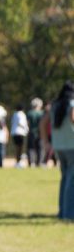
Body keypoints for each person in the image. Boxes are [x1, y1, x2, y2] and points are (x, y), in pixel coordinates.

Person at [52, 81, 74, 220]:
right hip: (72, 145)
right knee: (71, 180)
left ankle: (62, 212)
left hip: (58, 146)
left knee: (65, 177)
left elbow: (43, 123)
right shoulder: (72, 104)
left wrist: (46, 142)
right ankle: (68, 214)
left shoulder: (55, 105)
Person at [27, 97, 46, 168]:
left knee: (31, 148)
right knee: (40, 148)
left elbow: (28, 124)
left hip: (31, 132)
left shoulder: (29, 113)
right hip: (40, 132)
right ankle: (40, 162)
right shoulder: (42, 113)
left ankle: (32, 163)